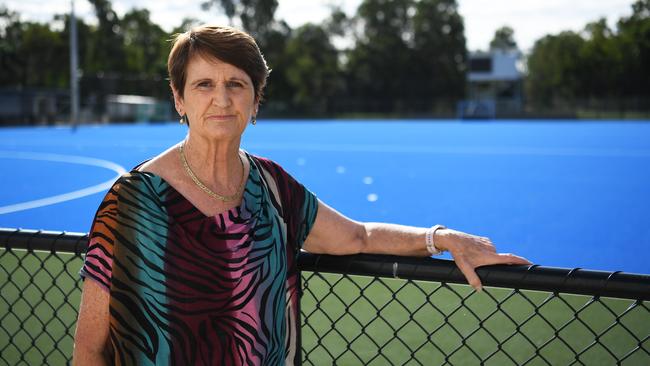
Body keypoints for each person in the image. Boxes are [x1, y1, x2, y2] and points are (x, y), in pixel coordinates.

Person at [73, 24, 531, 365]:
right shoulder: (134, 201)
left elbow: (358, 236)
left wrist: (442, 238)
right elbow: (90, 347)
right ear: (179, 99)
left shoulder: (273, 188)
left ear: (256, 101)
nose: (222, 99)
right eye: (204, 85)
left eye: (237, 84)